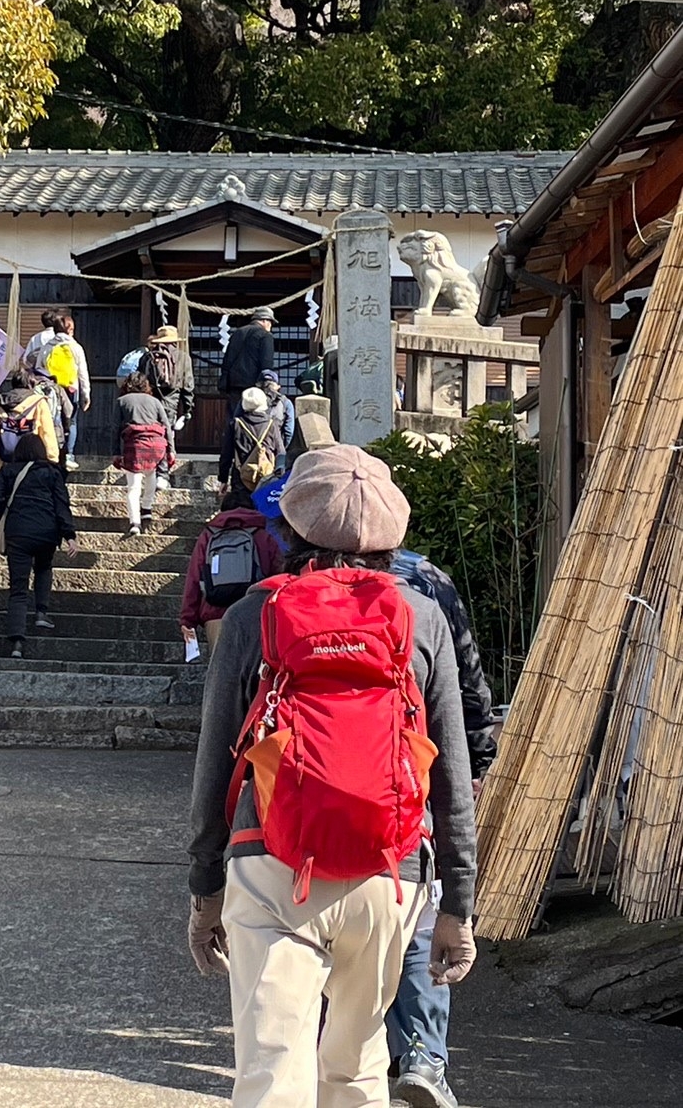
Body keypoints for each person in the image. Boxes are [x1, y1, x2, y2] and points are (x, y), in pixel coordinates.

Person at [187, 444, 477, 1108]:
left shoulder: (252, 613)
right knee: (354, 1070)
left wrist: (204, 888)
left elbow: (214, 764)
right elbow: (451, 774)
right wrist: (456, 905)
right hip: (390, 868)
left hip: (270, 861)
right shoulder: (419, 615)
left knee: (272, 1069)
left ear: (287, 526)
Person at [384, 550, 497, 1108]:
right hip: (411, 787)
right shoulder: (426, 586)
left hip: (304, 812)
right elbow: (466, 693)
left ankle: (336, 1054)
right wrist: (476, 763)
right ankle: (423, 1055)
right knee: (419, 925)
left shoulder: (284, 589)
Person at [0, 432, 78, 658]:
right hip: (47, 531)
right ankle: (41, 613)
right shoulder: (52, 472)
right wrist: (70, 535)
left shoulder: (9, 470)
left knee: (18, 589)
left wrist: (6, 515)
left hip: (18, 532)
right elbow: (61, 504)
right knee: (44, 567)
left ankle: (17, 642)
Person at [179, 485, 282, 656]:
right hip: (253, 612)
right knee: (252, 674)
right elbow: (278, 575)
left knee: (221, 674)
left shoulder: (209, 535)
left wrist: (187, 618)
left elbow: (195, 577)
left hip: (215, 612)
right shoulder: (263, 536)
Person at [113, 370, 175, 536]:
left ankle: (135, 522)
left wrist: (115, 452)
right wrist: (171, 450)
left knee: (133, 487)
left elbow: (115, 429)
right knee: (151, 474)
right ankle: (147, 507)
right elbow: (166, 425)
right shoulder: (155, 402)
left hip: (135, 445)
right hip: (157, 445)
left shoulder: (122, 401)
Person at [34, 313, 91, 472]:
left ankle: (51, 453)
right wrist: (86, 395)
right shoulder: (75, 347)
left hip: (51, 389)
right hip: (71, 389)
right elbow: (83, 373)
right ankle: (69, 456)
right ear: (70, 330)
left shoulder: (47, 347)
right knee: (71, 421)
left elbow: (39, 368)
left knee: (52, 421)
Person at [0, 370, 60, 480]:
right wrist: (52, 458)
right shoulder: (39, 402)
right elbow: (47, 433)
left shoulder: (1, 403)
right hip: (30, 463)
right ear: (31, 383)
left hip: (2, 462)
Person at [143, 324, 195, 488]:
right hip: (170, 400)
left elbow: (140, 380)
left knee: (150, 435)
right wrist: (188, 409)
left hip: (150, 400)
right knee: (166, 436)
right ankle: (162, 475)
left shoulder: (148, 356)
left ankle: (149, 470)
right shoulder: (183, 357)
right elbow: (188, 386)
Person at [219, 386, 285, 494]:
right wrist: (279, 476)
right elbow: (281, 452)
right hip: (266, 477)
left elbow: (226, 454)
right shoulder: (272, 424)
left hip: (241, 478)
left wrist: (223, 479)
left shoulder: (236, 424)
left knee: (242, 509)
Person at [219, 306, 276, 412]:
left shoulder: (237, 333)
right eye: (271, 322)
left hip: (233, 384)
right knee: (252, 418)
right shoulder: (265, 336)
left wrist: (224, 382)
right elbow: (266, 364)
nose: (271, 325)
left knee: (234, 418)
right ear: (264, 320)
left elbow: (227, 360)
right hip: (254, 385)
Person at [258, 370, 294, 471]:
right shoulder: (286, 403)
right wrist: (282, 448)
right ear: (278, 386)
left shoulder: (247, 401)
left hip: (248, 452)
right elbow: (289, 432)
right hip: (275, 452)